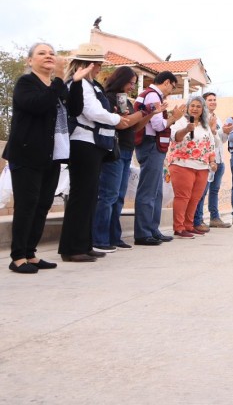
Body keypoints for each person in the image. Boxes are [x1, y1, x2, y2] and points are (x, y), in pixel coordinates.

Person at [5, 44, 85, 273]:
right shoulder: (26, 83)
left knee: (42, 206)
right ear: (30, 61)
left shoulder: (56, 87)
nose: (49, 55)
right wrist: (60, 78)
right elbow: (38, 105)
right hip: (27, 153)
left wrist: (76, 82)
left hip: (53, 154)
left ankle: (30, 253)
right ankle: (17, 256)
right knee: (27, 205)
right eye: (42, 53)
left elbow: (75, 109)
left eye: (51, 52)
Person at [59, 44, 138, 263]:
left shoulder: (91, 85)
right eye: (97, 64)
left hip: (94, 144)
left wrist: (111, 116)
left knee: (89, 196)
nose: (99, 68)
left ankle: (84, 244)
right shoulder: (81, 84)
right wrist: (115, 119)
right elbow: (91, 111)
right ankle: (72, 247)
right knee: (81, 196)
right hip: (83, 142)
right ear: (88, 64)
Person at [93, 66, 165, 253]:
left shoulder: (124, 100)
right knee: (108, 195)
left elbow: (132, 126)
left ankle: (113, 237)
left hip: (126, 149)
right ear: (120, 80)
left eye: (134, 83)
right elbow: (120, 122)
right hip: (113, 150)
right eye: (130, 83)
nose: (132, 87)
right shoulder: (108, 98)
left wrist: (150, 114)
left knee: (119, 196)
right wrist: (145, 111)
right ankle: (99, 239)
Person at [133, 72, 184, 246]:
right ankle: (143, 232)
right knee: (148, 190)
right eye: (172, 87)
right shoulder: (152, 95)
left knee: (156, 190)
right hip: (150, 145)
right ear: (167, 82)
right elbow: (158, 125)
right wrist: (174, 118)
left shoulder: (150, 95)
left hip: (153, 146)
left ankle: (152, 230)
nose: (171, 91)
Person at [167, 96, 218, 238]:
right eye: (193, 106)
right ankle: (179, 227)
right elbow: (175, 137)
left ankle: (189, 225)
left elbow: (210, 145)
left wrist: (212, 161)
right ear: (188, 107)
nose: (195, 109)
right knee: (183, 197)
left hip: (202, 166)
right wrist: (186, 129)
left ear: (203, 110)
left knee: (195, 198)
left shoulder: (205, 125)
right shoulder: (180, 121)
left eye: (198, 106)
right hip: (182, 164)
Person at [193, 92, 233, 229]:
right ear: (204, 102)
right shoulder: (201, 119)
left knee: (215, 191)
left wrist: (225, 132)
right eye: (210, 100)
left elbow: (220, 141)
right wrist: (212, 130)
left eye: (215, 99)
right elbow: (206, 139)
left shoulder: (218, 118)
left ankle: (215, 218)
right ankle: (198, 220)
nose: (213, 102)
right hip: (208, 161)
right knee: (202, 191)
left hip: (219, 160)